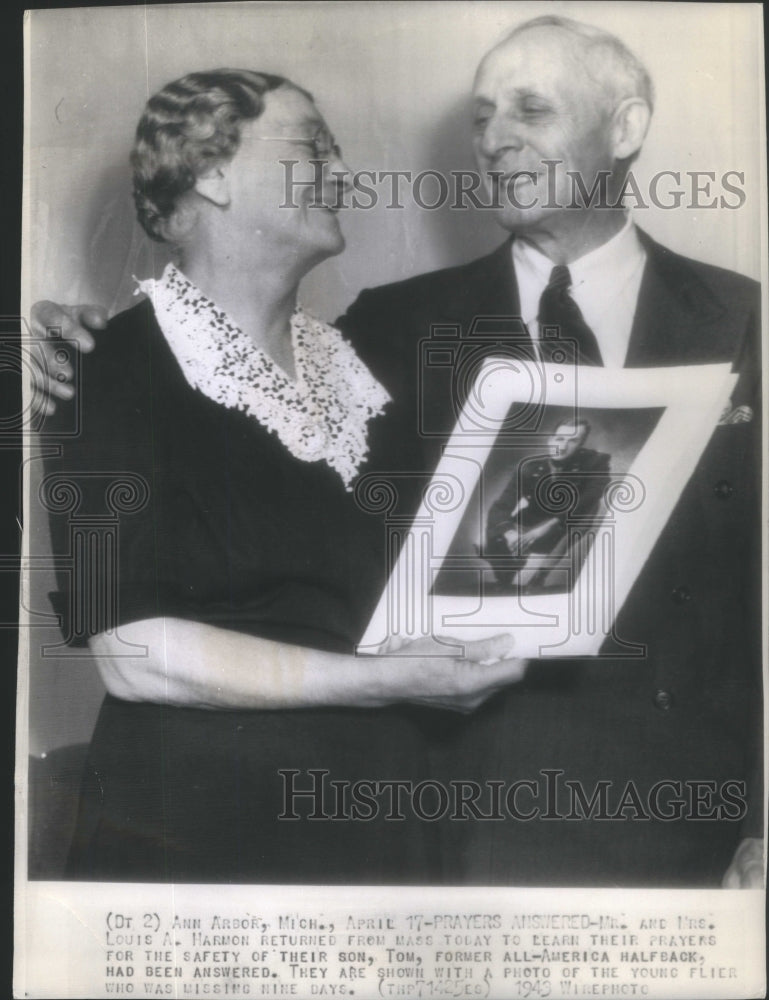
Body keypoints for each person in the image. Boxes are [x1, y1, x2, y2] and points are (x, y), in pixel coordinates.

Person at [32, 16, 762, 887]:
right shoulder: (390, 330)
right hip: (445, 831)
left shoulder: (744, 318)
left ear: (625, 127)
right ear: (213, 173)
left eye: (529, 109)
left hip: (678, 826)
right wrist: (56, 336)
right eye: (481, 116)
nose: (493, 142)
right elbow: (147, 615)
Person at [35, 68, 526, 883]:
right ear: (211, 173)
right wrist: (383, 683)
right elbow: (131, 653)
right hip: (203, 835)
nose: (341, 174)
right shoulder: (94, 371)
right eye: (311, 149)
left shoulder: (370, 371)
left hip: (385, 827)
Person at [485, 419, 611, 591]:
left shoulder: (595, 462)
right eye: (559, 439)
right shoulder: (529, 467)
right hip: (534, 518)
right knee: (494, 541)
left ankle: (540, 576)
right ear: (550, 440)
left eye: (572, 441)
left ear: (581, 444)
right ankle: (507, 574)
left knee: (589, 508)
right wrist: (510, 533)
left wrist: (548, 527)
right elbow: (500, 507)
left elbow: (591, 497)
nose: (563, 446)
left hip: (568, 521)